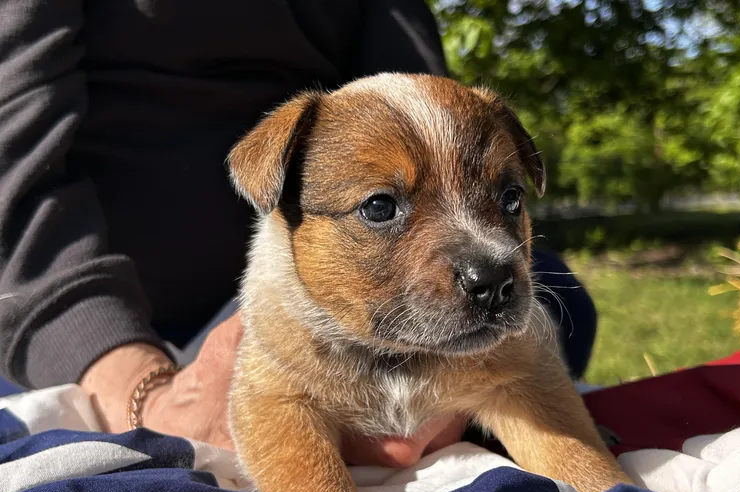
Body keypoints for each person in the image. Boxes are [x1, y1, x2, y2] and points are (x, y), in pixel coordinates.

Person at [0, 0, 595, 463]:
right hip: (116, 317)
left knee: (564, 301)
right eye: (382, 207)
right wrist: (142, 390)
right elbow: (14, 167)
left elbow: (426, 113)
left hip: (351, 292)